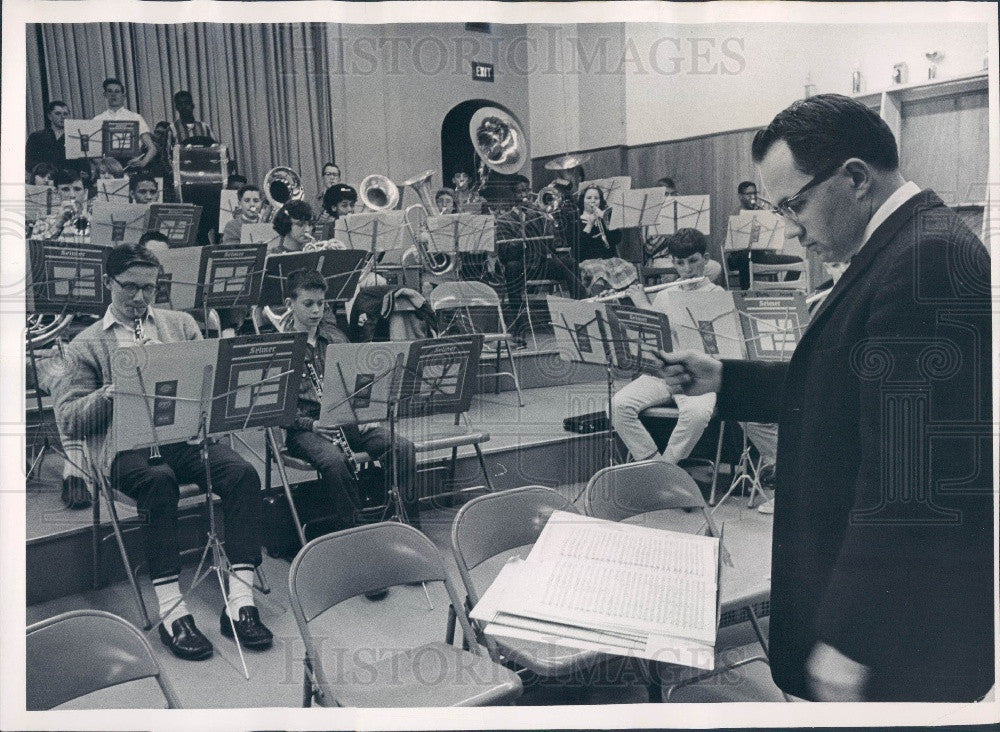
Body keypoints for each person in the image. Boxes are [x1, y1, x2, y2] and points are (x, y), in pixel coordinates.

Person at [659, 94, 992, 702]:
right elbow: (840, 385)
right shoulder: (900, 246)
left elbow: (907, 475)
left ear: (856, 179)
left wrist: (849, 638)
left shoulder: (927, 258)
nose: (789, 227)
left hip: (896, 634)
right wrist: (724, 378)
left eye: (794, 204)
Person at [52, 242, 274, 661]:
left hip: (184, 439)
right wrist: (111, 392)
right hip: (124, 449)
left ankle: (240, 602)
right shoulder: (84, 345)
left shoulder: (180, 325)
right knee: (158, 482)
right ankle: (173, 610)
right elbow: (70, 422)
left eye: (149, 289)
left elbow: (211, 389)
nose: (140, 299)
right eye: (129, 288)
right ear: (107, 283)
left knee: (242, 473)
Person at [278, 269, 421, 550]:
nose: (317, 310)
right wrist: (313, 426)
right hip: (305, 429)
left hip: (347, 419)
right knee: (334, 462)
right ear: (289, 304)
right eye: (308, 304)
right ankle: (360, 543)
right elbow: (278, 409)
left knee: (402, 447)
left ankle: (411, 534)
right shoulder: (280, 348)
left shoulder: (335, 338)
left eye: (322, 303)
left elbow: (359, 384)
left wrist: (363, 412)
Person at [612, 228, 777, 471]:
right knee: (618, 405)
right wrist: (639, 307)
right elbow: (656, 339)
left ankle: (666, 468)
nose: (687, 270)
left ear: (706, 259)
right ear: (673, 262)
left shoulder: (717, 295)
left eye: (693, 261)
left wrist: (644, 305)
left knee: (697, 415)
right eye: (680, 263)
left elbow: (724, 347)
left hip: (698, 376)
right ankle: (653, 463)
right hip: (664, 373)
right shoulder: (665, 295)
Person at [727, 179, 803, 289]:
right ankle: (746, 293)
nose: (753, 197)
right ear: (740, 196)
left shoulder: (762, 212)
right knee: (745, 258)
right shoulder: (735, 214)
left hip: (759, 256)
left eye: (754, 193)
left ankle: (784, 291)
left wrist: (773, 215)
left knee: (797, 261)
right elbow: (731, 243)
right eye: (749, 194)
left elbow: (772, 235)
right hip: (738, 257)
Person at [91, 78, 157, 171]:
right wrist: (103, 164)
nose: (113, 95)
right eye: (109, 91)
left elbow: (152, 148)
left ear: (123, 95)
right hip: (107, 171)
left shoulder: (136, 117)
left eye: (117, 91)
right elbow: (93, 151)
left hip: (132, 167)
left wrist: (142, 163)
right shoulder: (97, 119)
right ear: (105, 95)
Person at [30, 168, 91, 241]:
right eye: (65, 189)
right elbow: (36, 249)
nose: (72, 195)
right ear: (56, 193)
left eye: (77, 189)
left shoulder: (95, 222)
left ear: (85, 193)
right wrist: (57, 224)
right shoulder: (42, 222)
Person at [26, 100, 70, 172]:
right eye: (58, 113)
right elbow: (29, 163)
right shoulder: (36, 137)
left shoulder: (74, 137)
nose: (62, 117)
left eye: (65, 114)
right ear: (49, 116)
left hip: (71, 180)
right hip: (44, 179)